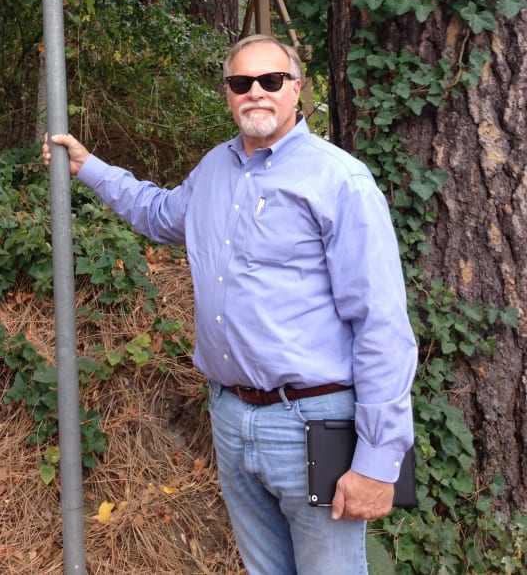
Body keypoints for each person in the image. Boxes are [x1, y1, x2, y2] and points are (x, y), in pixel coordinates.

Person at [43, 33, 417, 575]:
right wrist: (90, 167)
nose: (256, 93)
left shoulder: (339, 181)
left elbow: (380, 322)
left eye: (271, 80)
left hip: (314, 421)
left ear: (297, 90)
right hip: (232, 417)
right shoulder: (214, 170)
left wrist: (380, 461)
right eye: (242, 83)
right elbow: (160, 214)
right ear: (227, 94)